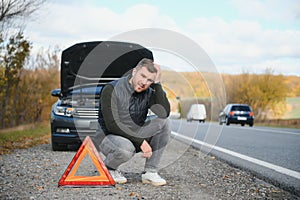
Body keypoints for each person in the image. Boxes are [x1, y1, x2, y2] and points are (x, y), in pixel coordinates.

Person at [97, 58, 171, 186]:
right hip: (109, 137)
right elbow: (112, 125)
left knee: (165, 122)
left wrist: (157, 84)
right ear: (134, 72)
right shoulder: (111, 89)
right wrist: (141, 141)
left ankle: (150, 172)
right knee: (126, 149)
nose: (144, 82)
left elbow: (164, 113)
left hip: (134, 134)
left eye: (149, 80)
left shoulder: (149, 92)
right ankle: (109, 169)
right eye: (142, 76)